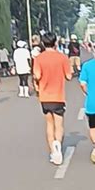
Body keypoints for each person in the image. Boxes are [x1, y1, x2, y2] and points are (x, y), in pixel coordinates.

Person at [33, 32, 73, 165]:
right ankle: (58, 145)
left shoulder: (39, 58)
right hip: (58, 96)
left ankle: (53, 151)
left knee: (49, 124)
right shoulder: (62, 58)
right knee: (59, 124)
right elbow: (68, 76)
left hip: (45, 96)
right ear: (55, 42)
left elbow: (37, 76)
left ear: (43, 43)